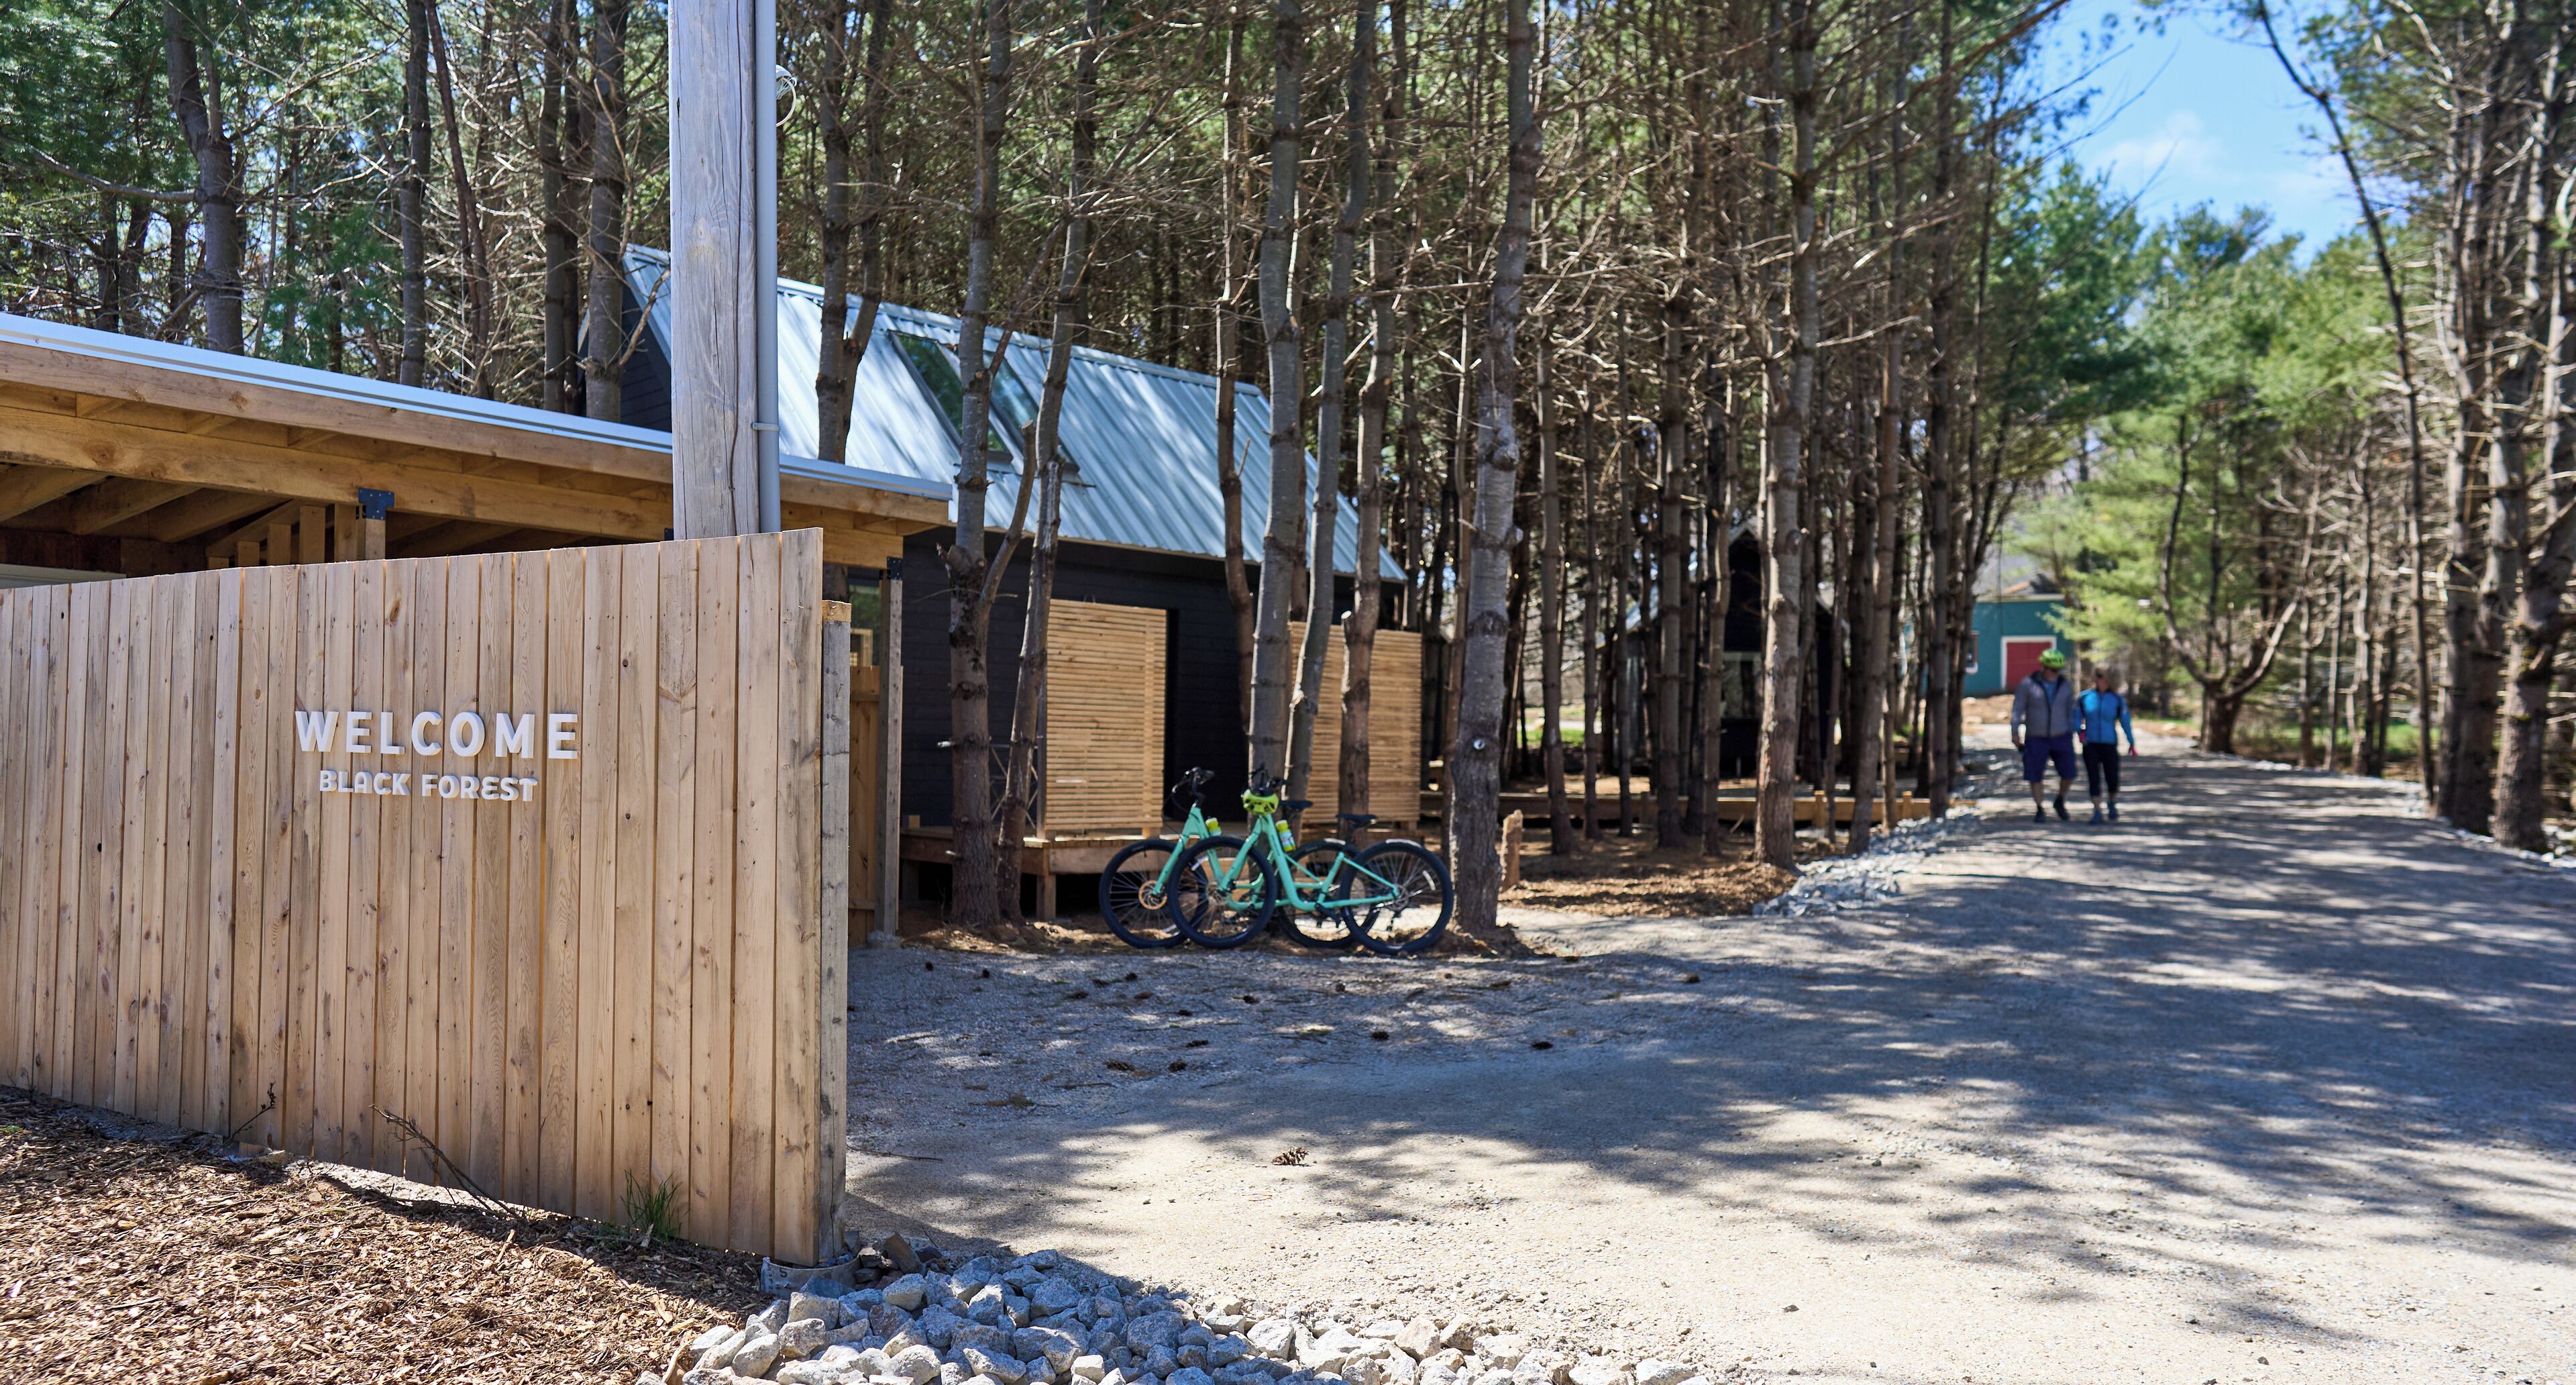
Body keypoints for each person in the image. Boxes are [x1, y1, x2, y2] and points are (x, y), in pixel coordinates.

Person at [2009, 647, 2078, 822]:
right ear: (2044, 668)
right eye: (2053, 670)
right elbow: (2018, 708)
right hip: (2036, 736)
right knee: (2035, 773)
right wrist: (2015, 731)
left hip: (2061, 735)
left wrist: (2072, 730)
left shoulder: (2065, 685)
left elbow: (2071, 709)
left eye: (2058, 670)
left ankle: (2060, 800)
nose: (2056, 673)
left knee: (2069, 773)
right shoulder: (2028, 684)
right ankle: (2039, 808)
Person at [2076, 666, 2139, 823]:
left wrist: (2131, 742)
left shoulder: (2117, 700)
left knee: (2112, 777)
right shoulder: (2085, 697)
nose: (2097, 679)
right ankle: (2097, 810)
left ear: (2109, 679)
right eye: (2096, 675)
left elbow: (2125, 722)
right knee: (2093, 777)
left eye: (2101, 676)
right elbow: (2076, 717)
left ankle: (2112, 802)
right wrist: (2080, 731)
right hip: (2091, 744)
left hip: (2109, 744)